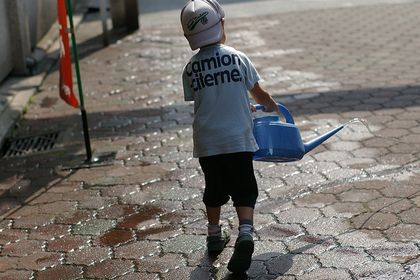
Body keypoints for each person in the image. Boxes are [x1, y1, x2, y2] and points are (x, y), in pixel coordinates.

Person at [180, 0, 279, 274]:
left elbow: (204, 99)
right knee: (245, 188)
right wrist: (270, 104)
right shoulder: (237, 57)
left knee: (214, 188)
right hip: (238, 139)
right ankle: (245, 233)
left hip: (207, 142)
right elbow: (257, 93)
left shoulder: (190, 68)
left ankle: (214, 235)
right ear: (220, 24)